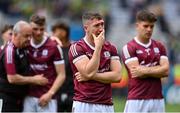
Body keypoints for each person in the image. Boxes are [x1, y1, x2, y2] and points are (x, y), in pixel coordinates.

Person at [68, 11, 122, 113]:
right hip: (84, 103)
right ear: (86, 28)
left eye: (102, 24)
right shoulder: (77, 47)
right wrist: (98, 48)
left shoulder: (110, 48)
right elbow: (88, 72)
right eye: (96, 25)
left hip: (106, 104)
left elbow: (117, 76)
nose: (101, 29)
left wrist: (92, 76)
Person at [121, 10, 169, 113]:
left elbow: (165, 71)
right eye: (146, 26)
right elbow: (137, 73)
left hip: (157, 100)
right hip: (136, 99)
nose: (149, 29)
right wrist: (157, 69)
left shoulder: (160, 46)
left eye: (152, 26)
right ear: (137, 26)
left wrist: (144, 70)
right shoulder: (129, 47)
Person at [0, 21, 48, 112]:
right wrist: (34, 79)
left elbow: (42, 37)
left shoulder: (22, 47)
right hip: (7, 100)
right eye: (26, 36)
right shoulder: (10, 50)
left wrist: (53, 38)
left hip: (19, 99)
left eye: (30, 36)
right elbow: (12, 78)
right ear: (15, 35)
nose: (29, 39)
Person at [23, 14, 66, 112]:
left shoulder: (54, 46)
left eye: (42, 29)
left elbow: (61, 75)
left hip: (47, 98)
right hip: (27, 97)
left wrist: (50, 94)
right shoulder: (25, 44)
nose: (38, 32)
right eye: (35, 29)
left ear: (45, 29)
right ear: (30, 28)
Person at [52, 22, 74, 112]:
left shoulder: (74, 48)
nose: (57, 34)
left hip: (72, 90)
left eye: (60, 31)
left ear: (65, 32)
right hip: (56, 89)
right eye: (55, 31)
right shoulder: (52, 48)